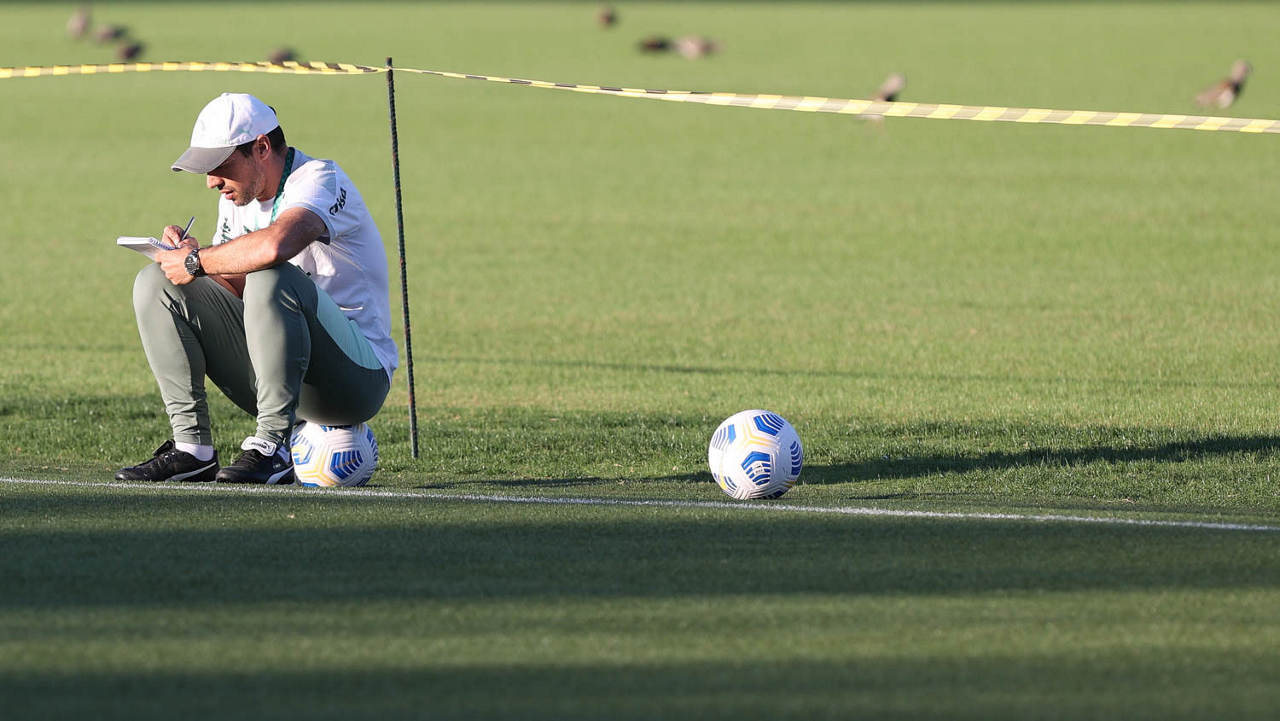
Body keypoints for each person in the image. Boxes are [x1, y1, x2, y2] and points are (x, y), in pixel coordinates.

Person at [116, 93, 397, 484]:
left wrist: (199, 262)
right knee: (156, 283)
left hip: (356, 381)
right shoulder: (237, 197)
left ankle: (271, 448)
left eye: (220, 166)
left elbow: (276, 247)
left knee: (269, 274)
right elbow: (235, 284)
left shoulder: (320, 179)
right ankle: (192, 450)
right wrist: (190, 259)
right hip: (281, 374)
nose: (212, 181)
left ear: (262, 147)